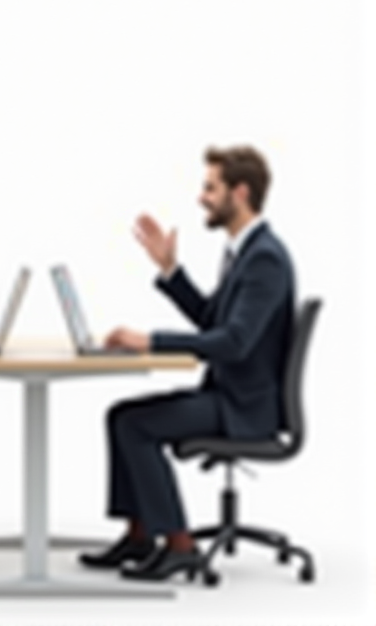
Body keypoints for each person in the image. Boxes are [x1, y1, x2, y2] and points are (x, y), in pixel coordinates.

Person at [79, 146, 296, 581]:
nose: (202, 198)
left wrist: (148, 343)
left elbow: (233, 343)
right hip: (229, 395)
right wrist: (169, 270)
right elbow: (211, 321)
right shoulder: (244, 252)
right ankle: (140, 535)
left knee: (134, 425)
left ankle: (179, 544)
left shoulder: (265, 258)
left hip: (243, 407)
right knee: (122, 416)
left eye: (210, 188)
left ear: (240, 192)